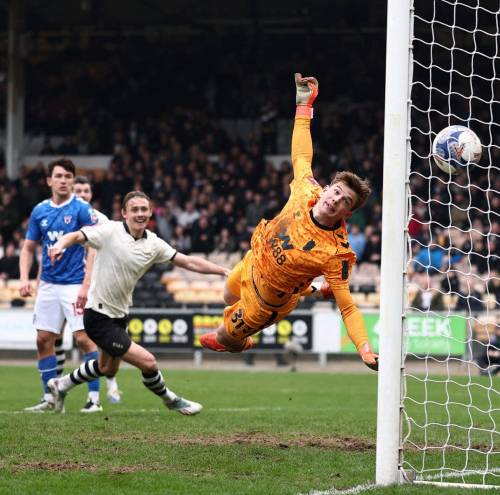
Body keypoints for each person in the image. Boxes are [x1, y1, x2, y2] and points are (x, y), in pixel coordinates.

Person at [198, 74, 378, 372]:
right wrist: (303, 105)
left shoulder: (336, 252)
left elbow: (348, 307)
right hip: (254, 259)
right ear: (328, 188)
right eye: (336, 191)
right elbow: (301, 153)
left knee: (222, 338)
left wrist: (364, 348)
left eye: (345, 201)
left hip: (267, 302)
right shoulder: (308, 189)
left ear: (348, 213)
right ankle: (315, 288)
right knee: (226, 295)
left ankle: (239, 341)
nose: (335, 199)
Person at [45, 191, 232, 415]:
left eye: (144, 209)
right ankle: (171, 399)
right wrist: (59, 245)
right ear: (124, 213)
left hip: (119, 315)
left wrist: (223, 271)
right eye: (134, 210)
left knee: (106, 367)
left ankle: (61, 384)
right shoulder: (109, 231)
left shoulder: (153, 244)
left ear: (151, 212)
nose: (140, 214)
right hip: (98, 315)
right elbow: (76, 236)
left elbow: (188, 262)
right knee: (149, 362)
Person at [19, 158, 104, 413]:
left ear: (73, 181)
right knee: (43, 339)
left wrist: (86, 284)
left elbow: (94, 247)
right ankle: (49, 397)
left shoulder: (82, 209)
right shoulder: (39, 211)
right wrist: (24, 278)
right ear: (50, 181)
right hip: (48, 284)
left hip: (74, 283)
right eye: (59, 176)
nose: (64, 181)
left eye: (69, 177)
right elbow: (28, 248)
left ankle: (94, 399)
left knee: (84, 339)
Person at [72, 175, 121, 404]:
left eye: (85, 191)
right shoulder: (63, 215)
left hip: (94, 284)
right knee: (50, 339)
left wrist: (88, 283)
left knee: (92, 337)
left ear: (91, 194)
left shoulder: (99, 219)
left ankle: (105, 389)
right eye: (78, 190)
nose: (82, 194)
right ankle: (49, 396)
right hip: (63, 282)